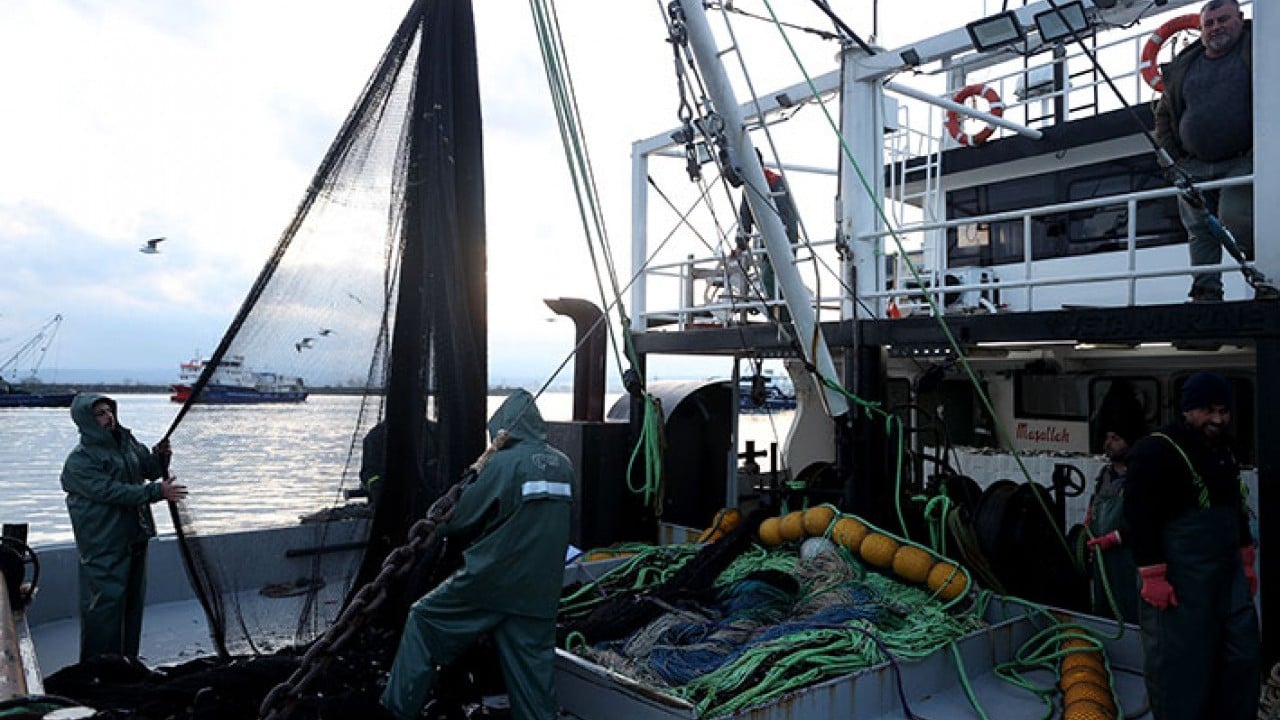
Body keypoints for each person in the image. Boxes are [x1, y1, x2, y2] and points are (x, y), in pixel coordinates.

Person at [381, 389, 574, 720]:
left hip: (492, 581)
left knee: (424, 620)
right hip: (540, 590)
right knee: (532, 673)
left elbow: (458, 518)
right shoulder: (564, 464)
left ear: (502, 428)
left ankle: (396, 710)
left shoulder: (502, 463)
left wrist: (436, 518)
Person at [1122, 371, 1259, 719]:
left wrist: (1245, 559)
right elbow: (1139, 517)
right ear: (1187, 409)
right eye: (1208, 410)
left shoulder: (1224, 448)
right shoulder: (1155, 451)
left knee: (1240, 656)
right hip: (1179, 584)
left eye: (1224, 411)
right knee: (1182, 669)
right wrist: (1151, 574)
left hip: (1226, 577)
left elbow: (1234, 506)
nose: (1218, 419)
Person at [60, 393, 187, 661]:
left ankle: (126, 661)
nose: (109, 418)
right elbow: (110, 491)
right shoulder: (79, 461)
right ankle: (98, 668)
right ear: (86, 421)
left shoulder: (127, 444)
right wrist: (156, 492)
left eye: (110, 411)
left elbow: (148, 469)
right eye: (101, 414)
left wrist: (161, 457)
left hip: (134, 537)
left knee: (131, 604)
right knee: (105, 607)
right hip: (103, 543)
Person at [1153, 0, 1252, 302]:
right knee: (1198, 227)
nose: (1216, 27)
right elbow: (1164, 115)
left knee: (1236, 218)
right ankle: (1206, 291)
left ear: (1240, 18)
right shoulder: (1186, 63)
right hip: (1193, 163)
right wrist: (1173, 160)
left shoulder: (1263, 47)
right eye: (1209, 23)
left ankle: (1265, 276)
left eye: (1223, 20)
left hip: (1245, 158)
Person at [1083, 381, 1146, 623]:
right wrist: (1090, 519)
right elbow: (1096, 507)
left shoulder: (1142, 477)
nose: (1108, 443)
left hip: (1131, 567)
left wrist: (1116, 538)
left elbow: (1148, 521)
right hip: (1104, 566)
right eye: (1106, 437)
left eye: (1116, 438)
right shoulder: (1104, 476)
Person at [736, 149, 799, 320]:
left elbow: (785, 214)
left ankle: (783, 317)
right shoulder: (750, 187)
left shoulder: (775, 181)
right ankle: (779, 314)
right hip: (769, 235)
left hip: (785, 234)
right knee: (769, 275)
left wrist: (783, 235)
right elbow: (745, 217)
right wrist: (740, 244)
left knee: (772, 275)